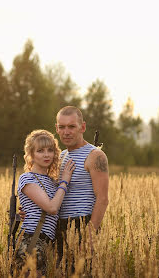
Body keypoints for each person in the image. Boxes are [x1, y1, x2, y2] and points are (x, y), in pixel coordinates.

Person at [14, 129, 75, 276]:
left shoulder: (54, 183)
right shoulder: (27, 178)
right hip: (32, 241)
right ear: (31, 155)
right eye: (40, 151)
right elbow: (52, 208)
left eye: (50, 150)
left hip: (48, 244)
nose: (46, 154)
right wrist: (65, 181)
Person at [54, 106, 109, 268]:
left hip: (82, 225)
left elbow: (103, 199)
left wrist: (89, 237)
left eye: (72, 126)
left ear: (82, 127)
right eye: (62, 127)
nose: (66, 132)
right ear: (56, 128)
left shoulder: (95, 155)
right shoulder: (61, 156)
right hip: (59, 227)